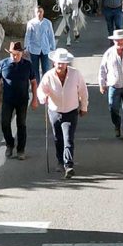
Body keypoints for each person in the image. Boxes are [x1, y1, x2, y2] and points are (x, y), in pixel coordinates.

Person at [37, 48, 88, 178]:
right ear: (54, 63)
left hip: (71, 111)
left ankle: (68, 165)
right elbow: (41, 90)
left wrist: (84, 107)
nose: (61, 65)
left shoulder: (75, 74)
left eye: (63, 63)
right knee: (57, 138)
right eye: (58, 62)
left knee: (68, 139)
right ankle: (60, 160)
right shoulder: (48, 75)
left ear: (67, 63)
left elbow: (83, 91)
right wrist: (43, 97)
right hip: (54, 111)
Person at [0, 41, 38, 161]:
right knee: (5, 123)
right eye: (12, 54)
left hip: (23, 100)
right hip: (7, 100)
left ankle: (21, 150)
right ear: (9, 53)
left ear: (22, 53)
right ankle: (9, 144)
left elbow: (33, 82)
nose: (15, 56)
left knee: (21, 125)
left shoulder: (27, 65)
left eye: (17, 54)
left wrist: (35, 99)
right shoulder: (3, 64)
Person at [24, 6, 56, 84]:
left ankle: (45, 86)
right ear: (35, 13)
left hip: (45, 50)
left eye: (40, 12)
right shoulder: (31, 23)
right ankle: (37, 87)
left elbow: (51, 36)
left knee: (46, 68)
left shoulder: (48, 23)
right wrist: (26, 48)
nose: (39, 13)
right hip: (34, 49)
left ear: (43, 12)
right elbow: (28, 36)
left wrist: (53, 48)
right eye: (37, 12)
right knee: (35, 70)